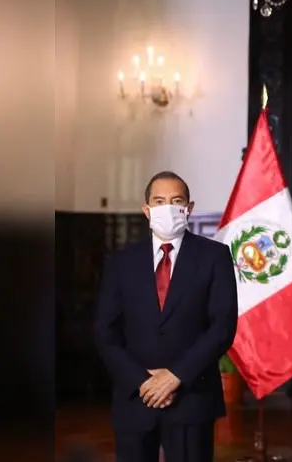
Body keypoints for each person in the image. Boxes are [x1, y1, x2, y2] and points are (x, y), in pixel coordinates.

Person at [93, 171, 238, 462]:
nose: (168, 208)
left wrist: (175, 377)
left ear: (190, 208)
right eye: (159, 201)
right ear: (146, 210)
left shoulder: (215, 256)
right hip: (136, 398)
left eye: (176, 201)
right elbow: (105, 333)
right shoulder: (121, 262)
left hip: (191, 398)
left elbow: (222, 327)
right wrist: (143, 381)